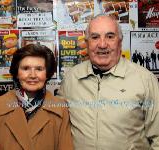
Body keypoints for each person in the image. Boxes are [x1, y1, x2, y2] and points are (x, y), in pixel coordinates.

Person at [58, 14, 159, 150]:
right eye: (95, 37)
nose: (102, 44)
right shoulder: (71, 78)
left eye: (110, 36)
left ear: (120, 42)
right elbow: (57, 127)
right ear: (87, 43)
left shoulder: (145, 80)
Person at [0, 44, 74, 150]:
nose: (32, 75)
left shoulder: (61, 109)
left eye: (39, 69)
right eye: (26, 68)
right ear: (17, 73)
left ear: (47, 74)